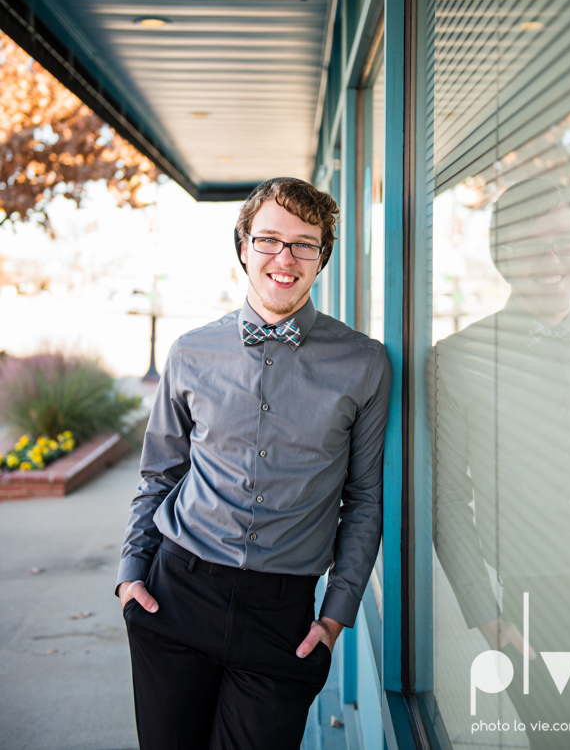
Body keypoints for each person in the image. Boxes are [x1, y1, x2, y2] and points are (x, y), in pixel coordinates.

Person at [116, 177, 391, 750]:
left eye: (304, 244)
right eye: (268, 239)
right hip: (175, 596)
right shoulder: (191, 353)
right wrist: (130, 577)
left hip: (282, 618)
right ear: (243, 246)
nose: (284, 259)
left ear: (323, 257)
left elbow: (364, 497)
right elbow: (159, 475)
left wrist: (337, 613)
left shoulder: (365, 364)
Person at [433, 177, 570, 747]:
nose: (552, 261)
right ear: (502, 255)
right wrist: (485, 614)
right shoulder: (455, 361)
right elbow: (448, 497)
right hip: (532, 602)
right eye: (532, 246)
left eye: (565, 242)